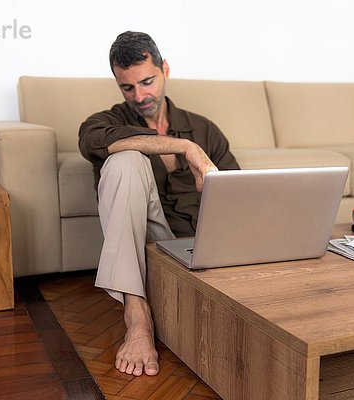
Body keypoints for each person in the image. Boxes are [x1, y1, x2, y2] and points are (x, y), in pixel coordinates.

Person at [78, 31, 239, 377]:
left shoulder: (204, 128)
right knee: (125, 159)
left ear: (165, 68)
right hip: (149, 245)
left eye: (147, 82)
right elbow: (91, 141)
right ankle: (137, 320)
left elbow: (240, 196)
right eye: (128, 87)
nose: (140, 96)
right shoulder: (108, 122)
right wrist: (182, 147)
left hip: (201, 245)